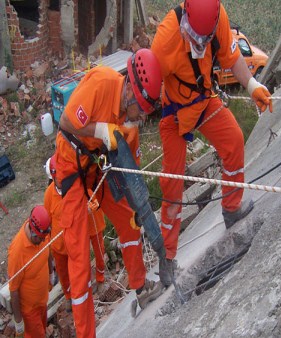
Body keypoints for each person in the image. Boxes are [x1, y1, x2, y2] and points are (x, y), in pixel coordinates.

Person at [151, 0, 273, 287]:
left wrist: (252, 85)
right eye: (195, 36)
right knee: (172, 185)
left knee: (233, 141)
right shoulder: (165, 40)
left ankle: (231, 208)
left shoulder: (217, 18)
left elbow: (232, 57)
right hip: (174, 114)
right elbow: (147, 88)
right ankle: (167, 260)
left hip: (204, 101)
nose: (200, 43)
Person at [54, 48, 163, 337]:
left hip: (98, 164)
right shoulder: (101, 83)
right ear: (130, 91)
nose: (140, 118)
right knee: (78, 254)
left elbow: (132, 175)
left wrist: (140, 207)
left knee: (129, 220)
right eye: (140, 109)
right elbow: (66, 122)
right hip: (71, 164)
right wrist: (102, 131)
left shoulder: (130, 125)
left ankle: (141, 287)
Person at [44, 154, 107, 312]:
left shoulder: (76, 182)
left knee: (98, 251)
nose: (62, 179)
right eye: (59, 177)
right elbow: (48, 220)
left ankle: (100, 279)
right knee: (64, 270)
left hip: (90, 224)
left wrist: (91, 207)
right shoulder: (49, 195)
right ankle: (69, 295)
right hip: (62, 240)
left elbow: (93, 195)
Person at [8, 205, 53, 338]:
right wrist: (19, 322)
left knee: (42, 330)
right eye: (39, 239)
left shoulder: (42, 235)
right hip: (29, 310)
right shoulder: (17, 251)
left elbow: (48, 251)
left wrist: (51, 274)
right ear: (32, 232)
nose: (42, 241)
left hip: (42, 300)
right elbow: (13, 290)